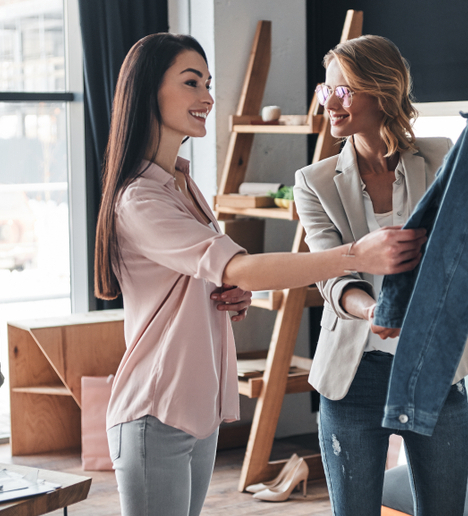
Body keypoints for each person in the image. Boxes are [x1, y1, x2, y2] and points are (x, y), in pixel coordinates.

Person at [93, 32, 427, 516]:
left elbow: (212, 275)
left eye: (208, 83)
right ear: (149, 89)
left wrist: (226, 291)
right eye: (192, 82)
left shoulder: (183, 184)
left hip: (197, 407)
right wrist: (355, 256)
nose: (207, 97)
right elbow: (242, 266)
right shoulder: (140, 198)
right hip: (153, 408)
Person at [293, 35, 468, 516]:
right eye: (326, 91)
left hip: (438, 369)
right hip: (353, 379)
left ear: (381, 90)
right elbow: (330, 273)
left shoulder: (439, 158)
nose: (330, 103)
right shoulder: (315, 182)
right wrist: (374, 311)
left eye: (343, 90)